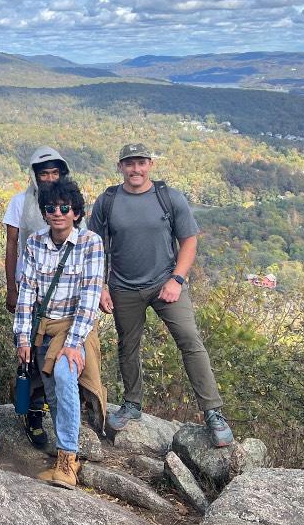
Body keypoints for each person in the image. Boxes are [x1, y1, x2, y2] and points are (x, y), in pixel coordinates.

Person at [88, 143, 234, 447]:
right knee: (128, 345)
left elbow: (189, 241)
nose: (135, 169)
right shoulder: (108, 201)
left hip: (165, 282)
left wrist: (177, 279)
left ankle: (213, 413)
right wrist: (100, 286)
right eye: (129, 164)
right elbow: (96, 247)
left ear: (150, 164)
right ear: (120, 167)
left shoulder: (168, 197)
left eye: (140, 163)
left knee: (190, 340)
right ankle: (132, 404)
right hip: (123, 286)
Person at [14, 179, 108, 489]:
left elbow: (90, 296)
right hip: (44, 327)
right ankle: (66, 454)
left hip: (73, 326)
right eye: (51, 208)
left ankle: (68, 461)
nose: (58, 213)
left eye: (65, 208)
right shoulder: (35, 243)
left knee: (66, 377)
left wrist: (73, 343)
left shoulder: (90, 243)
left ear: (76, 213)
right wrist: (24, 338)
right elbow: (27, 292)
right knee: (52, 390)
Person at [2, 147, 70, 448]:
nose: (50, 178)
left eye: (55, 173)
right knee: (28, 354)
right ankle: (32, 414)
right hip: (29, 289)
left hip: (62, 294)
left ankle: (58, 414)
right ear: (35, 175)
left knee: (55, 357)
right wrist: (12, 288)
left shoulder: (67, 205)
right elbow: (12, 244)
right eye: (44, 173)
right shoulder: (20, 202)